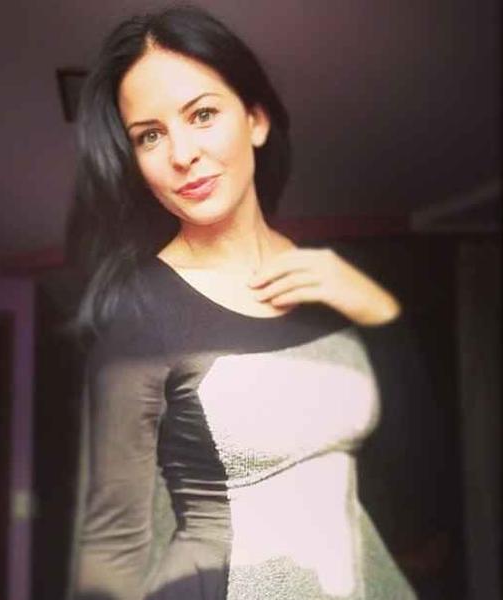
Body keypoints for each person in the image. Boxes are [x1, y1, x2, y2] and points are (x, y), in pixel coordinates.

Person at [66, 6, 417, 600]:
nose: (181, 153)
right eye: (150, 135)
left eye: (202, 114)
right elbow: (111, 546)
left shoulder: (336, 279)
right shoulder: (139, 313)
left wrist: (376, 310)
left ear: (255, 119)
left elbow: (419, 477)